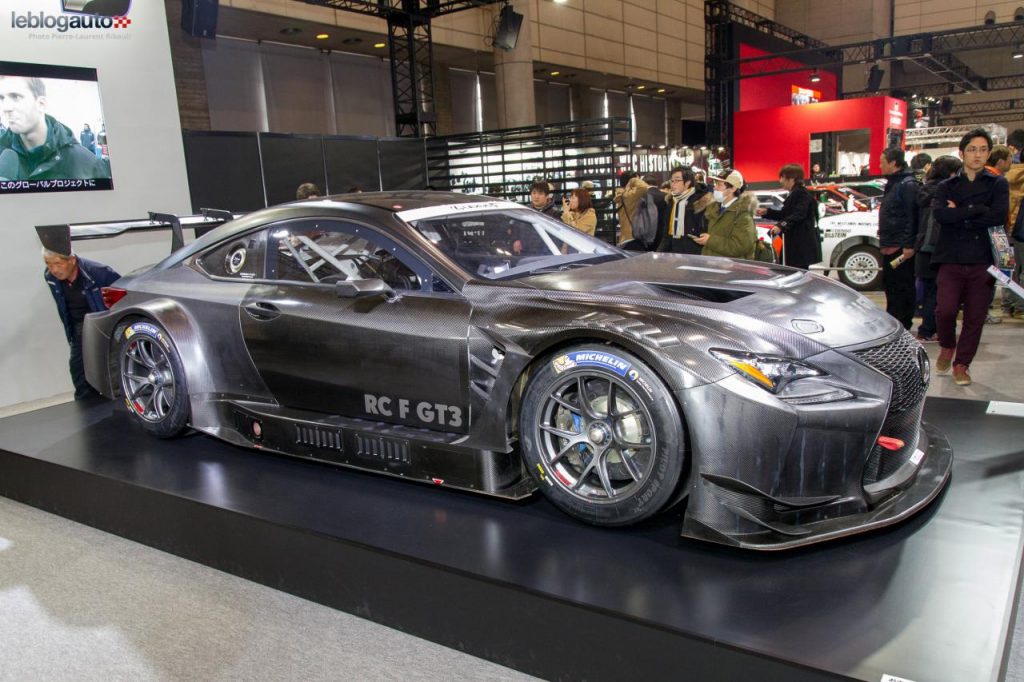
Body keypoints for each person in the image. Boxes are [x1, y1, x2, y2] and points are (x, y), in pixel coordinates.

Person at [931, 128, 1010, 387]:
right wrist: (977, 210)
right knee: (945, 311)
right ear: (962, 153)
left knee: (975, 317)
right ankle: (947, 345)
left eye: (983, 150)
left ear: (989, 153)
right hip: (950, 257)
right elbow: (941, 215)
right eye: (972, 150)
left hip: (982, 258)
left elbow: (997, 216)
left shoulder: (997, 183)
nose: (977, 155)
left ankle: (962, 364)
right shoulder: (947, 186)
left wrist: (961, 214)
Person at [37, 226, 120, 400]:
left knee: (112, 372)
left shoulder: (99, 273)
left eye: (57, 264)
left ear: (72, 260)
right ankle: (87, 408)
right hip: (78, 329)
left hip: (102, 328)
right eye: (48, 264)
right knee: (79, 372)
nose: (53, 269)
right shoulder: (50, 277)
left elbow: (122, 296)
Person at [0, 76, 110, 181]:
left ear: (41, 104)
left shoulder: (88, 164)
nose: (6, 108)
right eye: (2, 98)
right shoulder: (3, 154)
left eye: (16, 97)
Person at [913, 155, 962, 343]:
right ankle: (931, 330)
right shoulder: (946, 192)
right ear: (951, 173)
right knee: (941, 293)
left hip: (922, 247)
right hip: (939, 248)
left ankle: (926, 330)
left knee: (929, 291)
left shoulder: (924, 188)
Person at [877, 146, 921, 330]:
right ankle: (894, 322)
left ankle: (902, 324)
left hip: (901, 246)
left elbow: (912, 216)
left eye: (882, 162)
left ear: (893, 163)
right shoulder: (894, 183)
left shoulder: (907, 185)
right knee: (891, 286)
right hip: (890, 243)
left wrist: (908, 244)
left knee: (902, 287)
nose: (880, 166)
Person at [756, 163, 820, 269]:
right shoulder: (795, 193)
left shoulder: (801, 194)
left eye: (782, 177)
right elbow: (785, 214)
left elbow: (798, 214)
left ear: (791, 179)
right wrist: (767, 212)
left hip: (800, 246)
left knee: (797, 273)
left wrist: (781, 225)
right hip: (795, 246)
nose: (780, 181)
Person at [693, 169, 757, 259]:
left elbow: (740, 246)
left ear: (733, 188)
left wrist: (710, 240)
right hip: (713, 263)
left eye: (719, 185)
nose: (715, 188)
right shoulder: (715, 209)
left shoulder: (743, 215)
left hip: (731, 266)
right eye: (716, 184)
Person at [660, 166, 712, 255]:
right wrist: (661, 252)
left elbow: (705, 230)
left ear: (688, 182)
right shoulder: (671, 201)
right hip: (675, 252)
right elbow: (667, 232)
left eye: (677, 180)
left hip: (696, 253)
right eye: (672, 181)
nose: (673, 184)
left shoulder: (700, 201)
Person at [1003, 129, 1024, 317]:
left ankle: (1007, 303)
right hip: (1020, 226)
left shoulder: (1003, 173)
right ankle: (1020, 306)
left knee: (1007, 267)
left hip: (1004, 226)